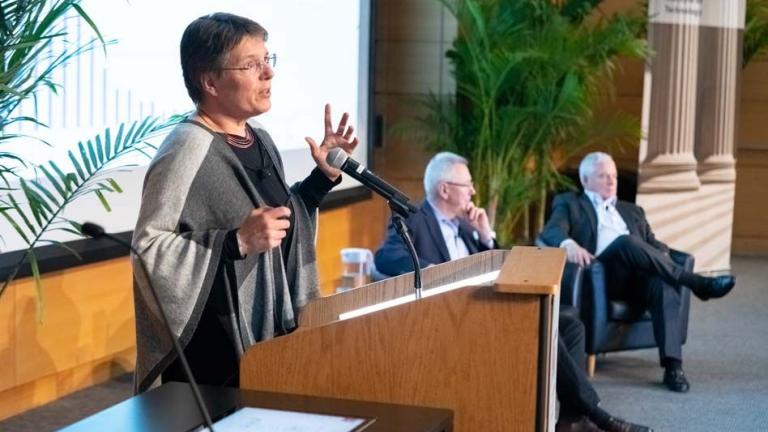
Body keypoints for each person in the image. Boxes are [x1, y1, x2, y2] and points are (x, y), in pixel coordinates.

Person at [130, 13, 358, 393]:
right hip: (212, 354)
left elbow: (279, 224)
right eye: (251, 65)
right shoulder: (186, 150)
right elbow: (147, 249)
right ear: (210, 81)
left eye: (268, 60)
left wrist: (323, 178)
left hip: (265, 336)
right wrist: (234, 243)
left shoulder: (261, 139)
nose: (268, 74)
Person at [375, 152, 652, 432]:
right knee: (542, 323)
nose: (473, 191)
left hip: (486, 306)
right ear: (444, 189)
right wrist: (442, 272)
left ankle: (573, 419)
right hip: (451, 319)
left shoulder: (468, 225)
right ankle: (599, 416)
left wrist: (486, 236)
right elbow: (385, 257)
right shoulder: (414, 220)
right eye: (467, 185)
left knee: (569, 324)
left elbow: (505, 267)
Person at [539, 151, 735, 393]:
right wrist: (569, 244)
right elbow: (551, 232)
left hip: (637, 278)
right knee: (626, 242)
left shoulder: (633, 211)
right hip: (602, 276)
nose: (611, 181)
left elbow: (653, 244)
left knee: (662, 287)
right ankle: (696, 283)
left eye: (614, 176)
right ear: (585, 180)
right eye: (603, 176)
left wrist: (662, 254)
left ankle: (673, 367)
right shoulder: (570, 203)